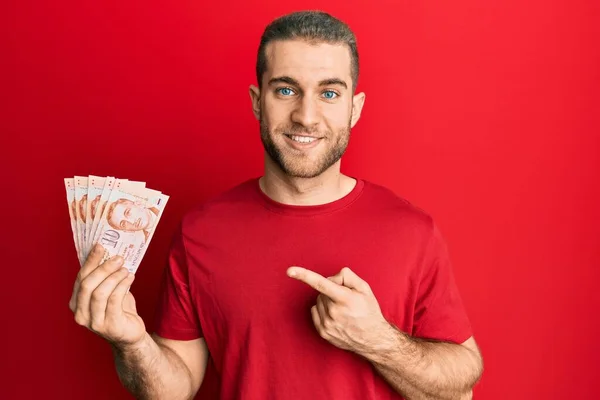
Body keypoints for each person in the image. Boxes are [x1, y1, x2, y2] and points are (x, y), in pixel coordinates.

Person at [69, 10, 484, 400]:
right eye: (286, 90)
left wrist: (379, 341)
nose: (306, 115)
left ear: (354, 109)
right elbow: (175, 389)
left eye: (329, 93)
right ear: (256, 101)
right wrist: (132, 342)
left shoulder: (411, 231)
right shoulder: (200, 232)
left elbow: (461, 383)